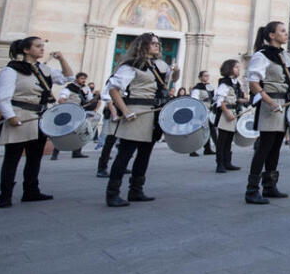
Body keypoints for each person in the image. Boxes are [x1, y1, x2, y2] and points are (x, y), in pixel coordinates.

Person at [0, 37, 72, 207]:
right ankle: (5, 195)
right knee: (12, 158)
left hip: (39, 117)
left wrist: (62, 59)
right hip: (20, 115)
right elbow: (2, 97)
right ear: (26, 50)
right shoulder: (11, 70)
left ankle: (31, 191)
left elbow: (68, 77)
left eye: (42, 46)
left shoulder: (45, 69)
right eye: (38, 46)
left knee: (35, 157)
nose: (42, 49)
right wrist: (11, 117)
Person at [105, 33, 178, 207]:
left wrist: (176, 71)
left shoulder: (161, 65)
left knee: (145, 154)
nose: (157, 45)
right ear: (142, 45)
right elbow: (113, 89)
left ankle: (136, 190)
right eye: (153, 43)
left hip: (154, 114)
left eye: (158, 43)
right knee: (125, 154)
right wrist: (125, 111)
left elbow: (171, 80)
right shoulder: (131, 65)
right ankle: (112, 194)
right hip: (137, 112)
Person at [244, 21, 290, 203]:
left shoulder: (284, 55)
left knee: (275, 147)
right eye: (282, 31)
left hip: (284, 103)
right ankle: (251, 190)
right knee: (264, 147)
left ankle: (269, 186)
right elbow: (253, 83)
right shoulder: (261, 55)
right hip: (270, 104)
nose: (286, 33)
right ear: (272, 35)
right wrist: (270, 102)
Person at [211, 59, 245, 173]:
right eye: (236, 67)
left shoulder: (236, 83)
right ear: (229, 69)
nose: (238, 69)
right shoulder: (225, 83)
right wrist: (227, 114)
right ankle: (220, 164)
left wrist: (246, 100)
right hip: (226, 114)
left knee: (229, 140)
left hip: (233, 113)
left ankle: (227, 162)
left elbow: (235, 99)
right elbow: (220, 101)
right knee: (222, 140)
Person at [52, 71, 94, 160]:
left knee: (80, 132)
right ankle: (55, 154)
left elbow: (90, 99)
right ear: (77, 79)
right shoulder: (69, 88)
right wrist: (68, 109)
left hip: (79, 113)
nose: (84, 80)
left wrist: (94, 97)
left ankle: (77, 152)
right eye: (82, 78)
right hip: (68, 114)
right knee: (62, 134)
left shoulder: (85, 89)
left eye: (85, 79)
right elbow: (61, 100)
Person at [190, 71, 216, 157]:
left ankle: (208, 148)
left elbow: (214, 98)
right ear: (200, 77)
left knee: (210, 129)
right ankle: (192, 150)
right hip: (200, 111)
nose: (207, 77)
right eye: (205, 76)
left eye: (208, 76)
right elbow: (195, 100)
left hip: (209, 111)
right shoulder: (197, 88)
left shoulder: (210, 87)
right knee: (197, 130)